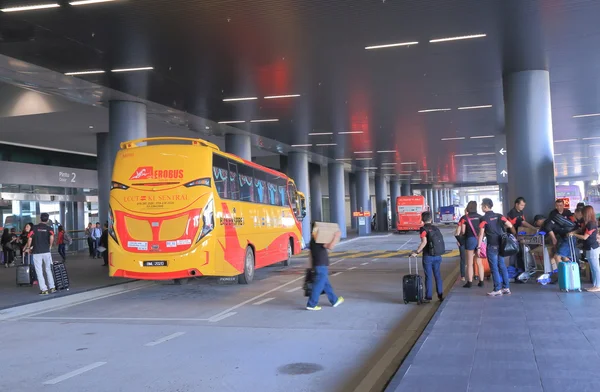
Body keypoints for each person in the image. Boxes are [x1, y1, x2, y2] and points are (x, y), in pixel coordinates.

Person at [478, 198, 514, 297]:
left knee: (494, 268)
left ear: (485, 206)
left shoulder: (484, 219)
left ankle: (497, 289)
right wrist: (501, 229)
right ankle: (506, 288)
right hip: (501, 244)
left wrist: (478, 247)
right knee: (502, 265)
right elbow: (510, 225)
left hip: (492, 245)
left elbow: (481, 234)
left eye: (482, 205)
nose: (481, 207)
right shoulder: (499, 216)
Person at [306, 222, 344, 311]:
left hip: (318, 265)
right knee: (318, 285)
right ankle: (311, 304)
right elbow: (330, 246)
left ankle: (334, 300)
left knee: (326, 285)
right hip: (321, 265)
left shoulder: (313, 239)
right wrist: (336, 236)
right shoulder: (318, 239)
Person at [411, 212, 444, 303]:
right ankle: (440, 295)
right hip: (438, 255)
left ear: (422, 220)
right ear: (431, 219)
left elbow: (424, 242)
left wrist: (416, 252)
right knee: (437, 275)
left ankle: (428, 297)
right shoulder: (436, 228)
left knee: (429, 276)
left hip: (428, 256)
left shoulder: (423, 229)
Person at [569, 206, 600, 291]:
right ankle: (595, 285)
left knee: (595, 267)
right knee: (593, 267)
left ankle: (598, 286)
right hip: (589, 247)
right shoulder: (587, 223)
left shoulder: (591, 224)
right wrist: (574, 232)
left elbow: (585, 237)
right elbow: (581, 230)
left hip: (593, 247)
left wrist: (574, 235)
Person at [26, 213, 56, 295]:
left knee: (39, 271)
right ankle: (52, 287)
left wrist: (28, 248)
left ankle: (44, 289)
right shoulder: (49, 228)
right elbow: (52, 237)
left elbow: (29, 239)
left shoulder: (34, 228)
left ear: (40, 219)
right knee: (48, 269)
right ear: (47, 219)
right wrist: (50, 246)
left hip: (37, 252)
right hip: (46, 252)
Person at [458, 201, 485, 288]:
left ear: (468, 207)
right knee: (479, 262)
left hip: (470, 239)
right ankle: (481, 281)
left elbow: (463, 231)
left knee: (469, 263)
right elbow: (483, 231)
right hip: (479, 240)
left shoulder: (465, 218)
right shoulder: (481, 217)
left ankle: (469, 282)